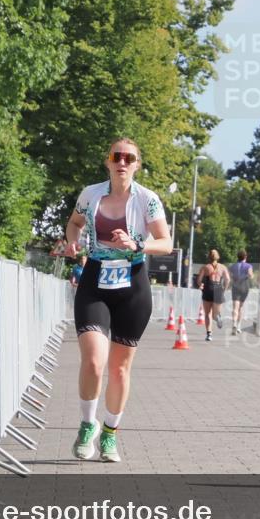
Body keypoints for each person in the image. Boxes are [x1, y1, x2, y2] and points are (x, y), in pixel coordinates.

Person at [64, 138, 172, 463]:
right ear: (108, 161)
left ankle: (110, 434)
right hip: (95, 280)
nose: (122, 162)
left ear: (137, 164)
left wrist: (137, 245)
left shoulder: (147, 200)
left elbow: (166, 243)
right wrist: (72, 242)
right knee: (94, 361)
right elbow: (74, 223)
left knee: (120, 369)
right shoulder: (91, 194)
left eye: (129, 158)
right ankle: (87, 424)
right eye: (117, 156)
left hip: (132, 285)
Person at [197, 249, 230, 341]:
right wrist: (224, 289)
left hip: (208, 288)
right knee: (215, 314)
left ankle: (209, 334)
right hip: (218, 289)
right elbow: (228, 279)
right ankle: (217, 317)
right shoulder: (223, 267)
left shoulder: (205, 267)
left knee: (207, 314)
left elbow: (199, 280)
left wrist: (201, 285)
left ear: (209, 257)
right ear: (218, 257)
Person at [228, 250, 254, 334]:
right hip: (244, 287)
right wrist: (249, 276)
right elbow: (251, 276)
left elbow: (230, 276)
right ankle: (239, 326)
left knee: (235, 307)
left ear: (237, 257)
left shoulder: (232, 266)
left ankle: (234, 324)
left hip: (235, 287)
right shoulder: (248, 266)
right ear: (245, 257)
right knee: (241, 308)